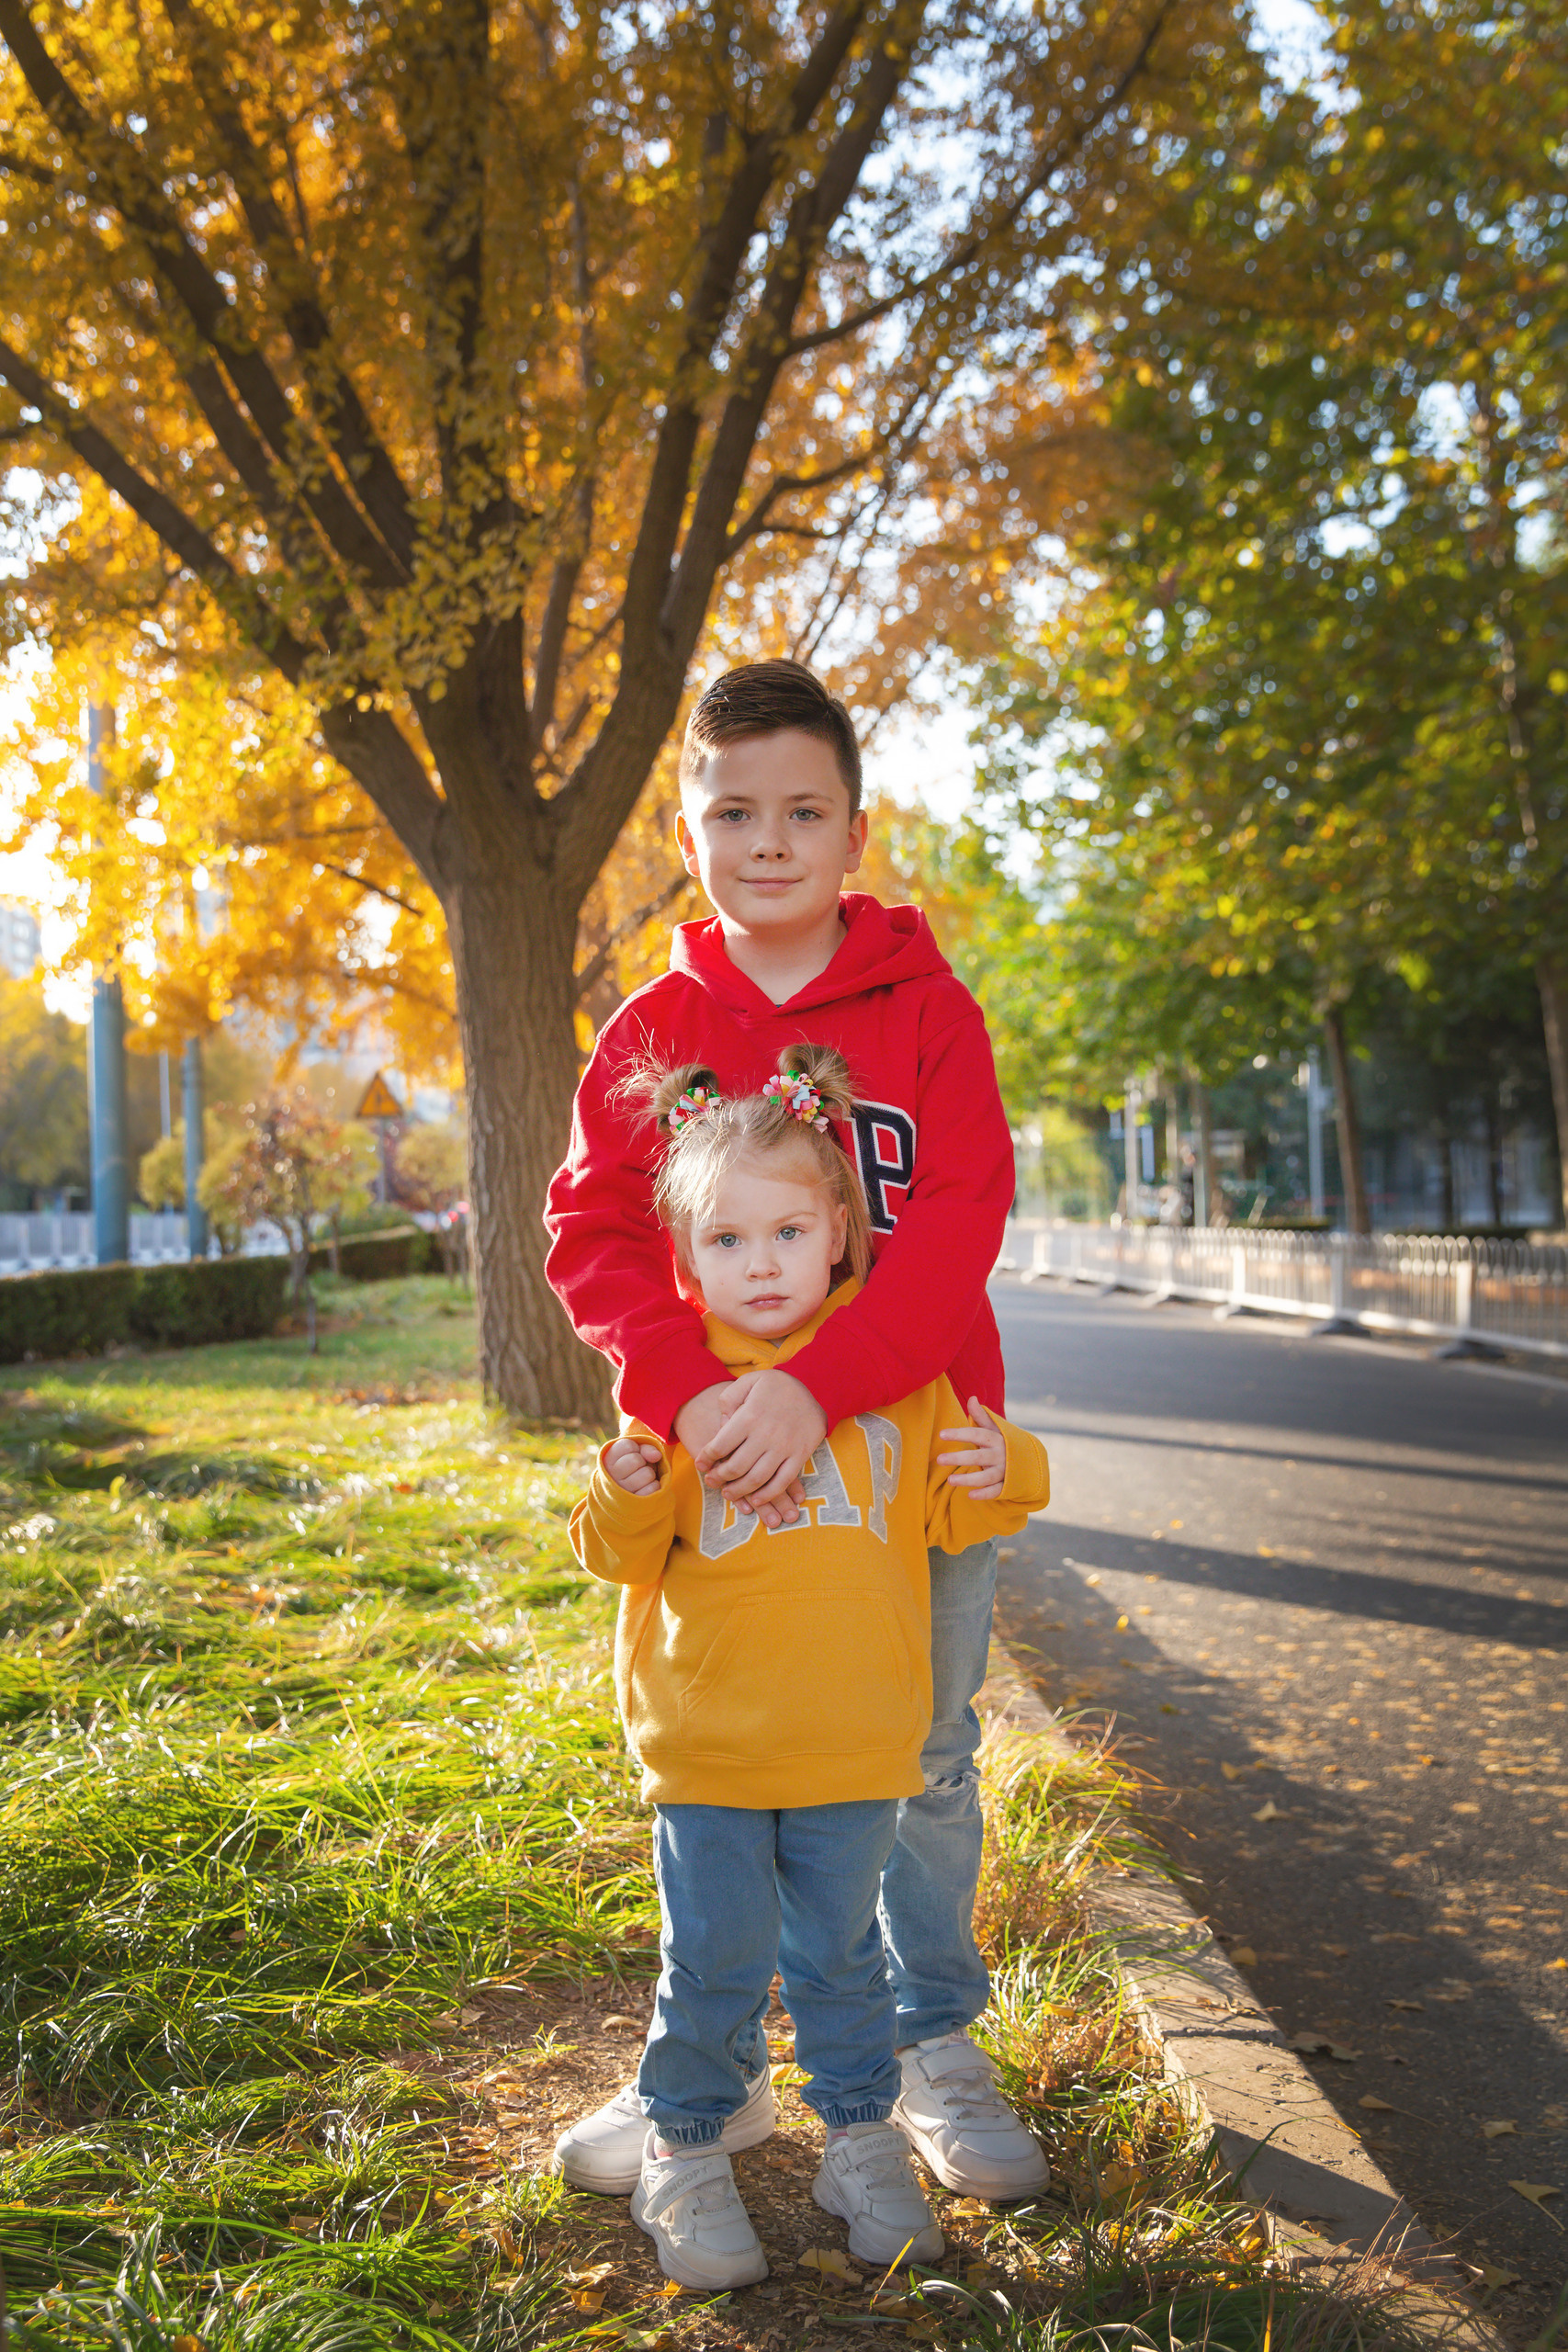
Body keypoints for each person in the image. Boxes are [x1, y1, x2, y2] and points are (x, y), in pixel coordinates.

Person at [547, 659, 1047, 2206]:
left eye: (804, 811)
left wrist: (817, 1386)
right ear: (687, 833)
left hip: (903, 1456)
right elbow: (595, 1236)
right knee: (714, 1771)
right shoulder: (656, 1026)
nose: (770, 840)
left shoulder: (926, 1007)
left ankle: (927, 2050)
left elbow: (961, 1224)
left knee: (924, 1755)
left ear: (854, 831)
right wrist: (701, 1394)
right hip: (722, 1464)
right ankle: (705, 2083)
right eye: (734, 811)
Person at [569, 1051, 1051, 2289]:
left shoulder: (904, 1390)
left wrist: (1019, 1471)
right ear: (689, 1263)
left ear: (842, 1231)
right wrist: (619, 1493)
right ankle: (687, 2139)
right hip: (712, 1747)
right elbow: (624, 1560)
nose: (765, 1260)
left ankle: (858, 2134)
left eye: (789, 1229)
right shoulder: (683, 1405)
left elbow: (971, 1506)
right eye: (729, 1240)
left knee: (845, 1962)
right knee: (713, 1957)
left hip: (854, 1751)